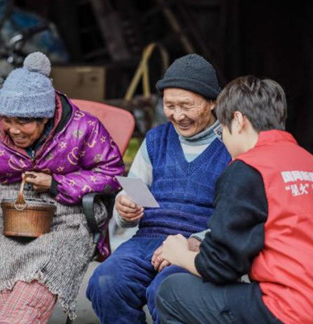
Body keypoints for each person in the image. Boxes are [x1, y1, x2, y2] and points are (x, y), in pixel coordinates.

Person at [0, 51, 125, 322]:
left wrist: (56, 183)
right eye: (7, 119)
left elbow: (112, 172)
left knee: (43, 267)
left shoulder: (83, 128)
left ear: (45, 118)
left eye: (24, 122)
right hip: (4, 213)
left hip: (67, 216)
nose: (13, 130)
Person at [156, 75, 313, 324]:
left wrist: (178, 254)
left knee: (172, 291)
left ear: (238, 120)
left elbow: (220, 267)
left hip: (291, 309)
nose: (224, 141)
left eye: (222, 131)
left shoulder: (248, 168)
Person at [86, 54, 231, 323]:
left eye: (186, 105)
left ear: (212, 102)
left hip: (196, 246)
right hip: (146, 239)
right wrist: (124, 209)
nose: (178, 115)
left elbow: (236, 219)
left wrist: (195, 243)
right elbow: (133, 196)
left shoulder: (231, 144)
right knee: (106, 282)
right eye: (169, 105)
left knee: (166, 292)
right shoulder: (156, 139)